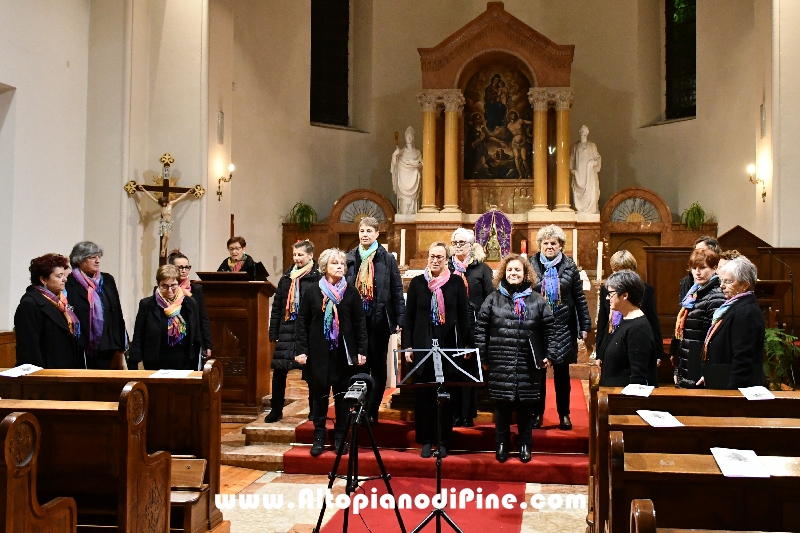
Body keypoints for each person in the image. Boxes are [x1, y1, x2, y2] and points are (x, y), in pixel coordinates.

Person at [475, 254, 555, 463]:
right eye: (510, 270)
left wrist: (549, 354)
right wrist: (482, 355)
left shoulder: (537, 300)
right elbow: (481, 328)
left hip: (528, 362)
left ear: (525, 273)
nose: (513, 273)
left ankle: (525, 444)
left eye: (518, 270)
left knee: (525, 407)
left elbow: (549, 329)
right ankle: (501, 443)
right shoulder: (493, 298)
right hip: (500, 358)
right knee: (501, 406)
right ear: (503, 273)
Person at [295, 248, 367, 456]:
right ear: (324, 267)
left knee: (343, 397)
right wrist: (302, 350)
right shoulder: (312, 291)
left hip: (343, 353)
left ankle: (340, 438)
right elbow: (303, 322)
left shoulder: (351, 292)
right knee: (318, 397)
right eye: (335, 263)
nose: (340, 267)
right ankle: (318, 437)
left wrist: (361, 350)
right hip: (318, 353)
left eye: (342, 264)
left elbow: (359, 323)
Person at [403, 242, 471, 459]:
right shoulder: (417, 283)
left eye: (440, 257)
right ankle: (426, 439)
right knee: (424, 394)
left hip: (448, 344)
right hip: (422, 345)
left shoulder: (456, 283)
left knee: (445, 394)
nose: (435, 260)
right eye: (432, 256)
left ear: (446, 259)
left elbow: (463, 316)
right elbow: (409, 318)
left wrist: (467, 344)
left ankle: (443, 440)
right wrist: (408, 346)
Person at [528, 225, 591, 430]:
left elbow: (580, 298)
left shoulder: (570, 266)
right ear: (540, 245)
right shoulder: (531, 264)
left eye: (553, 243)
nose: (549, 246)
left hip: (563, 326)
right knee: (538, 374)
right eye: (545, 243)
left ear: (561, 245)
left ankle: (564, 414)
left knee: (562, 375)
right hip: (538, 326)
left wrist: (585, 324)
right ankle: (537, 413)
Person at [345, 217, 405, 424]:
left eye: (369, 231)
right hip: (356, 321)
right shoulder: (350, 258)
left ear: (377, 234)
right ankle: (359, 408)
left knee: (378, 367)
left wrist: (399, 317)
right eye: (362, 230)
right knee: (360, 365)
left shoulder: (386, 258)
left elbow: (396, 289)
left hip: (379, 319)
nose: (365, 234)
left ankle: (371, 410)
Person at [265, 240, 320, 423]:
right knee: (280, 372)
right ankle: (276, 409)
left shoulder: (317, 278)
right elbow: (278, 307)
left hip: (307, 332)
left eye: (300, 255)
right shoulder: (286, 278)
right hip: (287, 330)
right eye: (295, 254)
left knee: (311, 373)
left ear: (310, 255)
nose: (296, 258)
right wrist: (274, 332)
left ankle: (314, 410)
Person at [448, 227, 494, 428]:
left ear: (471, 246)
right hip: (450, 325)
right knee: (452, 370)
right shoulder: (446, 268)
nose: (458, 246)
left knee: (470, 370)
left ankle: (467, 414)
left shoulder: (482, 269)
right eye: (455, 243)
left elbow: (490, 297)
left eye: (462, 243)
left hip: (474, 325)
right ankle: (454, 412)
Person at [703, 256, 765, 389]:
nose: (722, 286)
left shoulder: (746, 312)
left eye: (728, 281)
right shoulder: (735, 306)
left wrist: (732, 392)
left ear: (745, 285)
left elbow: (743, 357)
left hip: (734, 387)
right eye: (722, 280)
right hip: (721, 380)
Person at [65, 241, 127, 369]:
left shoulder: (107, 279)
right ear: (79, 260)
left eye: (98, 257)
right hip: (83, 343)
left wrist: (121, 340)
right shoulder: (69, 282)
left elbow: (116, 310)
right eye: (92, 257)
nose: (97, 261)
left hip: (108, 342)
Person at [595, 250, 663, 366]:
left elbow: (653, 321)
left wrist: (658, 352)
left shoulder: (645, 289)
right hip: (612, 343)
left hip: (635, 342)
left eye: (625, 270)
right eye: (616, 271)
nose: (621, 275)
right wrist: (599, 353)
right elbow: (602, 322)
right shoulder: (606, 290)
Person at [129, 264, 202, 371]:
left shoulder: (189, 303)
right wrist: (134, 363)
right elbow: (138, 336)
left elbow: (196, 333)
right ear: (158, 284)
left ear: (178, 283)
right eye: (164, 286)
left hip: (184, 361)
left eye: (173, 285)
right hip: (156, 362)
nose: (169, 290)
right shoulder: (147, 304)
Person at [15, 254, 81, 368]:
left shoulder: (60, 301)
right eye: (59, 276)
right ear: (43, 279)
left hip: (65, 368)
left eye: (64, 275)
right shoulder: (30, 304)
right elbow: (29, 348)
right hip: (47, 372)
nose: (65, 279)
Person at [673, 249, 726, 388]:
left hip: (700, 367)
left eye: (703, 268)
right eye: (694, 268)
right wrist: (679, 367)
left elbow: (716, 340)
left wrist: (708, 372)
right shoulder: (694, 293)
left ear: (715, 269)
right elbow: (685, 335)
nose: (697, 272)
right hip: (689, 362)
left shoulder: (716, 296)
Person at [597, 270, 659, 387]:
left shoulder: (638, 329)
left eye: (611, 293)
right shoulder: (626, 321)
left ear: (625, 295)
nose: (607, 298)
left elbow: (638, 379)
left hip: (625, 401)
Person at [168, 250, 212, 360]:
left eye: (187, 267)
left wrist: (207, 344)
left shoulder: (196, 289)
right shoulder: (165, 290)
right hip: (170, 340)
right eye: (180, 267)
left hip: (192, 340)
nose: (184, 271)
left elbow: (203, 317)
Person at [569, 125, 602, 214]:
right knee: (577, 190)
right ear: (579, 132)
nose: (583, 133)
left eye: (585, 131)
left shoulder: (592, 146)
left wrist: (594, 163)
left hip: (590, 175)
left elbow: (598, 157)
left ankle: (591, 209)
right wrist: (572, 170)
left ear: (588, 132)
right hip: (579, 174)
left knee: (592, 193)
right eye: (582, 131)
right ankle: (580, 209)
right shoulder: (575, 146)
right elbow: (571, 159)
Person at [391, 126, 423, 215]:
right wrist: (394, 155)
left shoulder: (418, 152)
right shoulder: (401, 152)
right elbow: (394, 165)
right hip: (403, 177)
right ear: (405, 138)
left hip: (413, 177)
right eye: (407, 136)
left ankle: (412, 210)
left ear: (413, 138)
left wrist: (416, 164)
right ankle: (404, 212)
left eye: (411, 136)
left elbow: (422, 164)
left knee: (413, 200)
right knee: (404, 200)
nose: (409, 138)